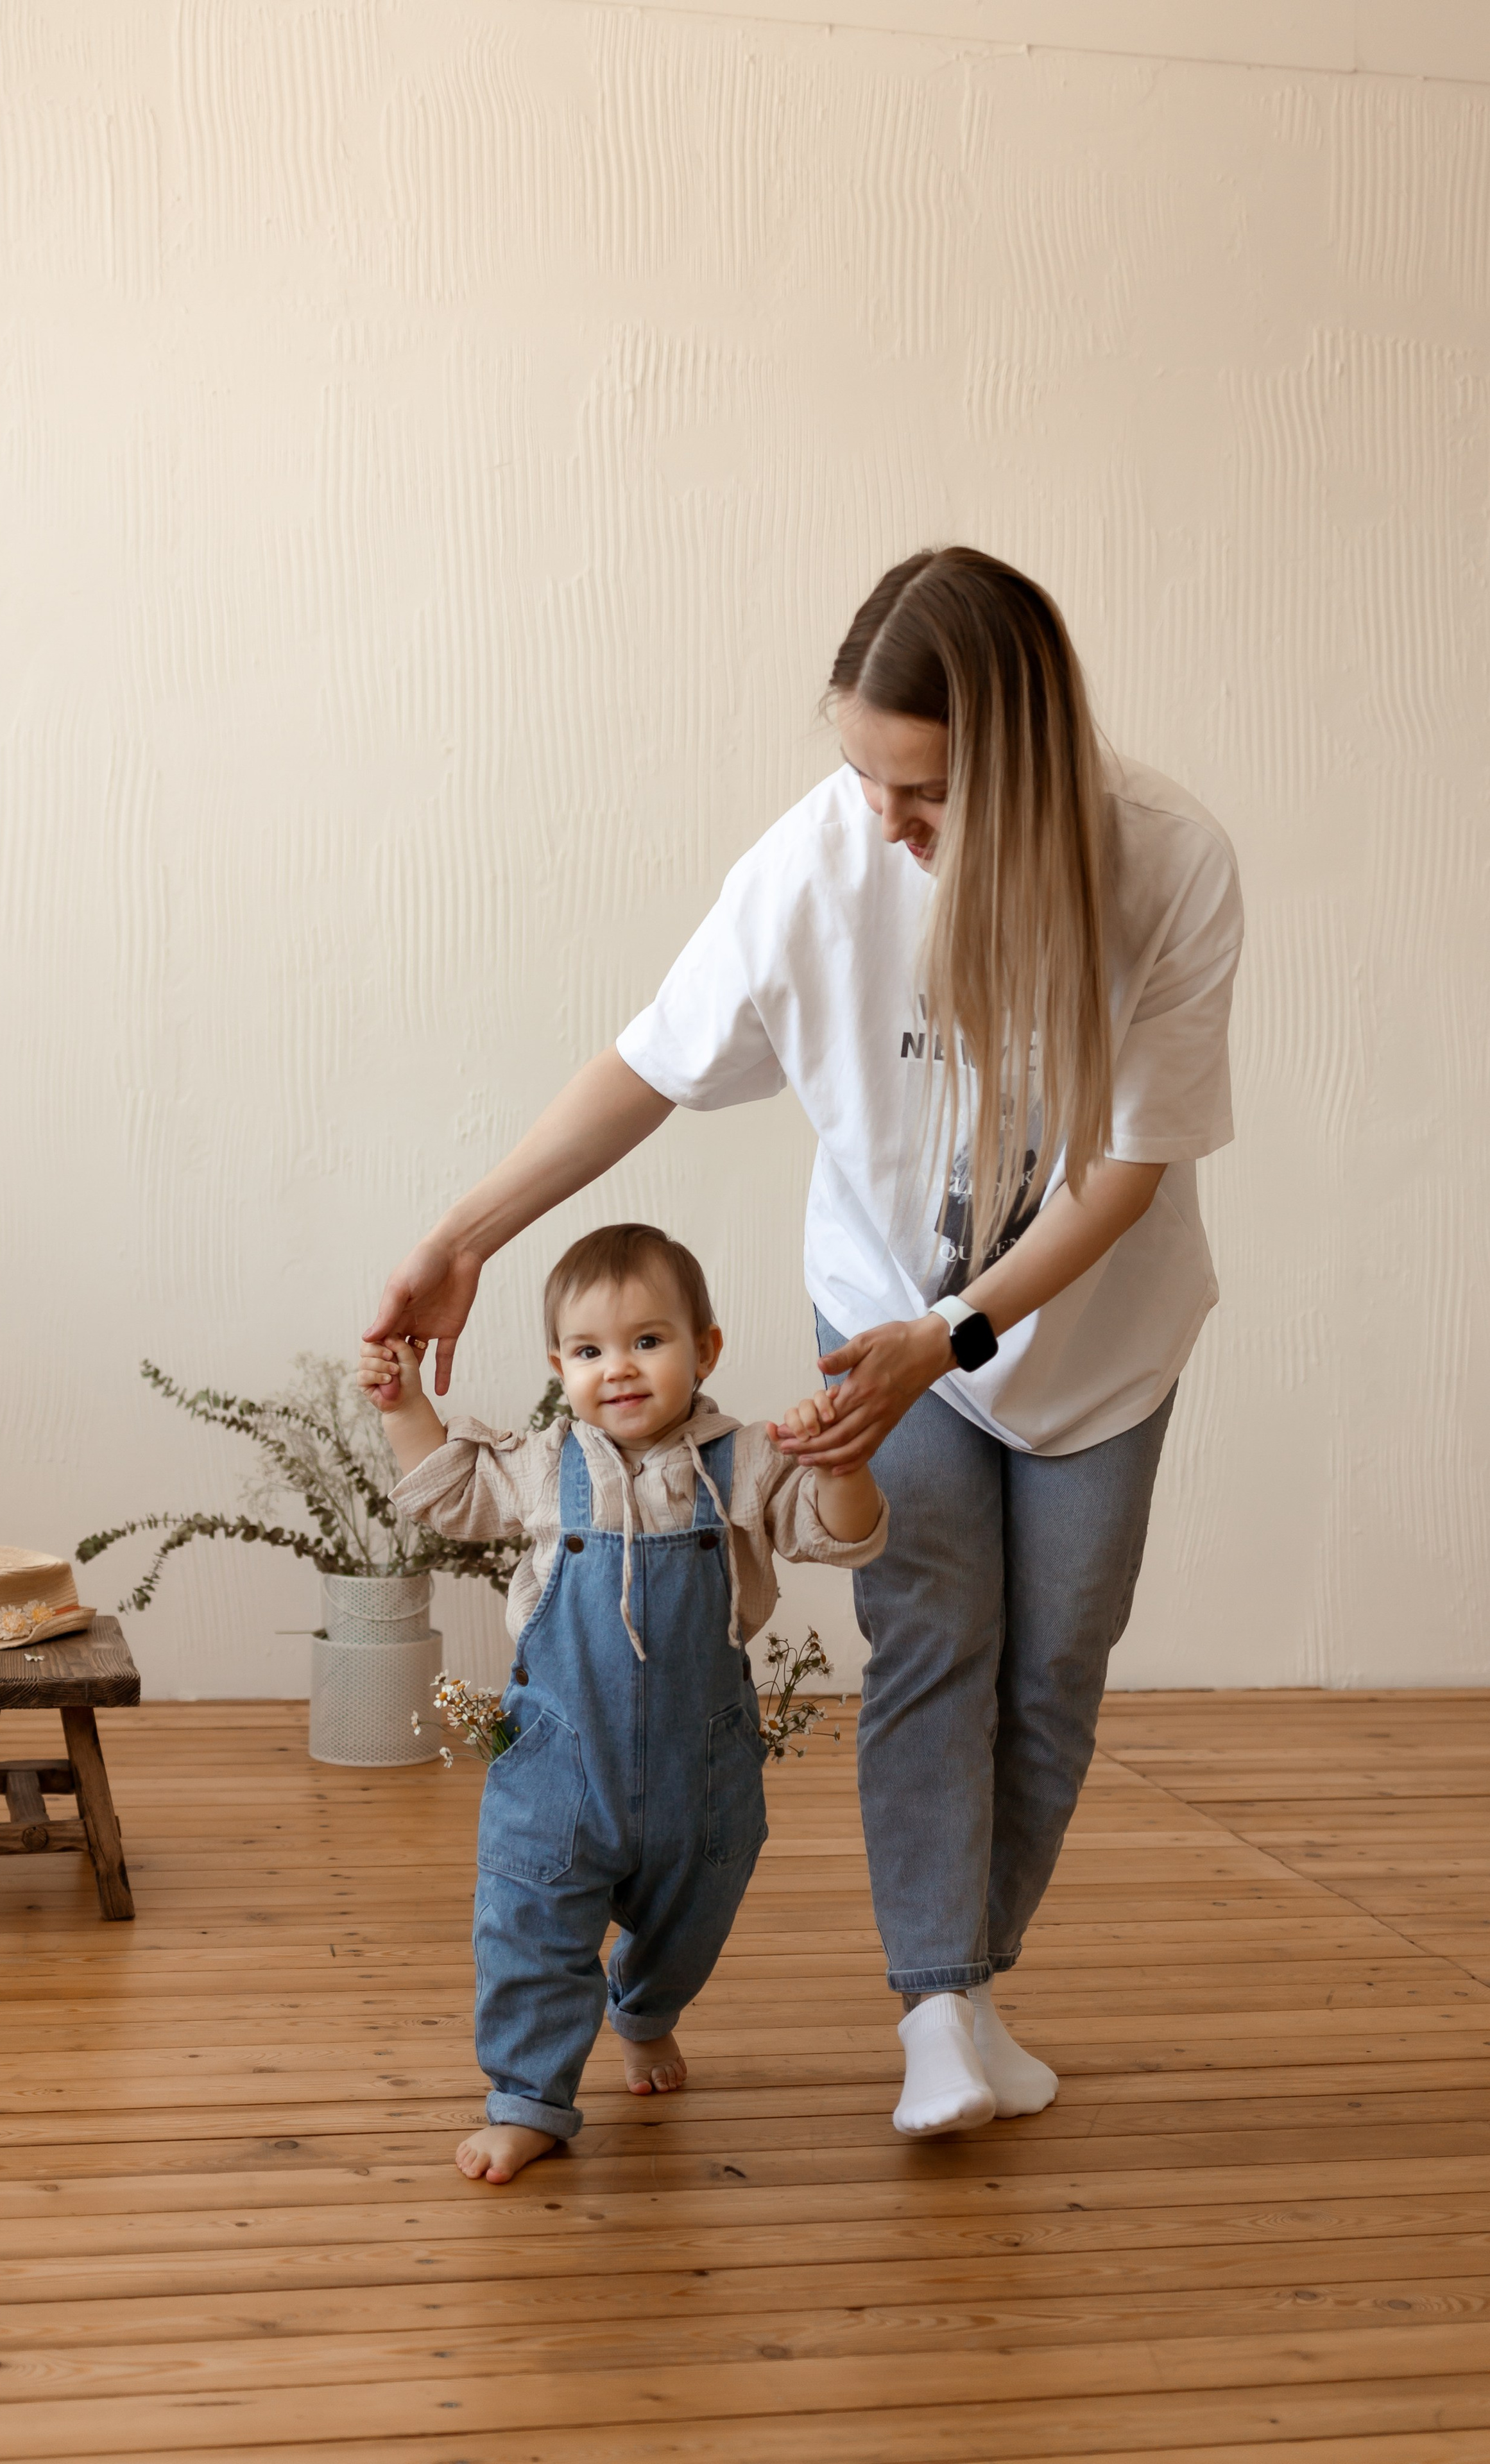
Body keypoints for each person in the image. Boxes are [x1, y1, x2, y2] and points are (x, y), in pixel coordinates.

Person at [366, 545, 1242, 2141]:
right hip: (877, 1316)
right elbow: (648, 1063)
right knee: (928, 1639)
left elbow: (1130, 1166)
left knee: (1051, 1669)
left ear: (1026, 769)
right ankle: (931, 2013)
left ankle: (972, 1985)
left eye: (922, 790)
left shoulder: (1166, 864)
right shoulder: (816, 863)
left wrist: (962, 1327)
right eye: (859, 772)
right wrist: (465, 1233)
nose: (883, 820)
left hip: (1092, 1336)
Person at [360, 1221, 887, 2182]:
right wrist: (402, 1409)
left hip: (703, 1769)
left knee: (694, 1916)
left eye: (649, 1341)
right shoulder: (541, 1464)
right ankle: (528, 2098)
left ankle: (644, 2011)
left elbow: (838, 1539)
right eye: (592, 1351)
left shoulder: (746, 1462)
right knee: (528, 1924)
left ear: (705, 1349)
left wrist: (844, 1464)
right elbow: (445, 1495)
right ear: (559, 1365)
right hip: (559, 1762)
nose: (622, 1369)